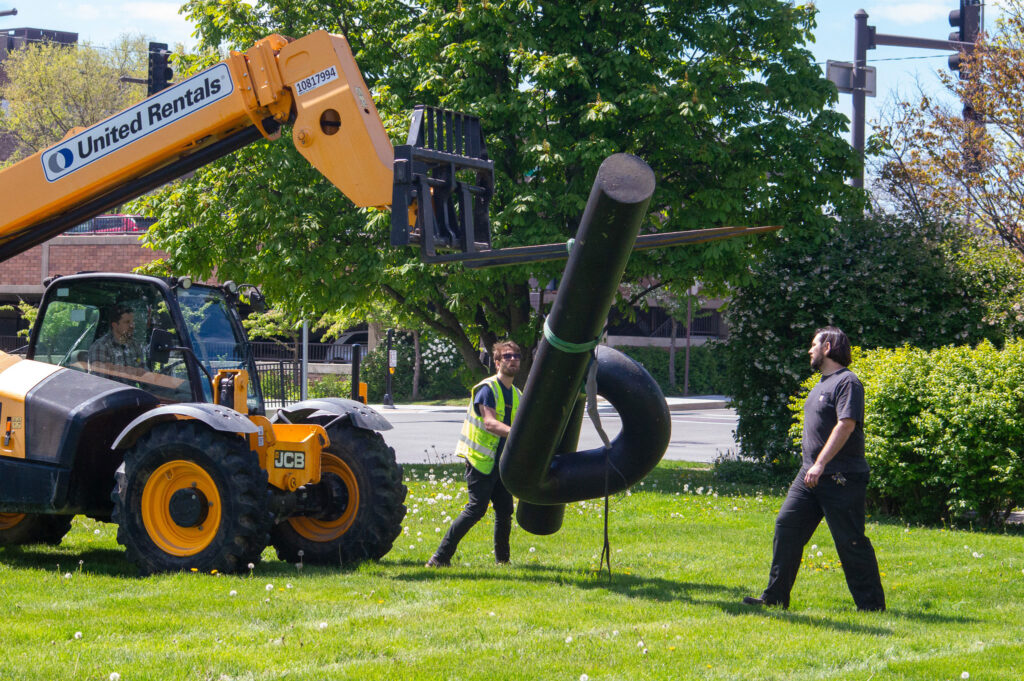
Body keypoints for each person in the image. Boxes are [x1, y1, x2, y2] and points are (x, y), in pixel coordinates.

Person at [743, 326, 885, 611]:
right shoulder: (821, 384)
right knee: (787, 526)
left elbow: (846, 425)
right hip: (809, 476)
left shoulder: (848, 382)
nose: (810, 350)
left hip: (841, 476)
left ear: (828, 347)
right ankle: (775, 597)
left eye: (813, 344)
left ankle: (871, 607)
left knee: (850, 540)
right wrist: (813, 465)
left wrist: (821, 463)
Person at [426, 340, 523, 567]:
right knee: (475, 510)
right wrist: (518, 435)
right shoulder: (487, 389)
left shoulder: (518, 394)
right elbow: (490, 424)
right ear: (497, 362)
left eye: (516, 357)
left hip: (501, 462)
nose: (512, 360)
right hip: (480, 460)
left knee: (504, 511)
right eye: (507, 357)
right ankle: (439, 558)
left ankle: (503, 561)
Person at [88, 304, 145, 375]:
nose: (132, 326)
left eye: (132, 322)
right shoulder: (101, 346)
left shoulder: (136, 345)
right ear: (114, 325)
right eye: (127, 322)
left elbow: (143, 372)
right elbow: (99, 381)